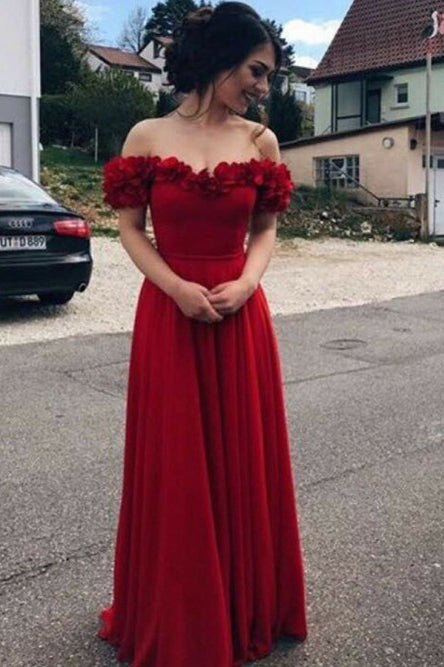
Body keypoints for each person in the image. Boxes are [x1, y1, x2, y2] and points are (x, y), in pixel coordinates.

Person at [96, 2, 308, 665]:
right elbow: (130, 230)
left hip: (240, 317)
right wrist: (176, 288)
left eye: (268, 76)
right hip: (171, 314)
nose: (263, 87)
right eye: (256, 71)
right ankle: (181, 611)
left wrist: (246, 283)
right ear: (220, 59)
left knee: (242, 462)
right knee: (177, 465)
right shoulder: (146, 135)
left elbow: (265, 231)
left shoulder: (260, 142)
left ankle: (242, 605)